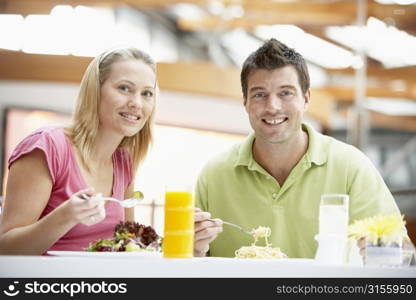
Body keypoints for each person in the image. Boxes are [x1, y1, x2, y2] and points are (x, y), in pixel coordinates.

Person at [193, 38, 409, 258]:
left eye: (286, 93)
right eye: (260, 94)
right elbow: (188, 266)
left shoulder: (351, 167)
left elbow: (403, 256)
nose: (272, 107)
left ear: (306, 99)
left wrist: (386, 249)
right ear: (246, 103)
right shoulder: (214, 175)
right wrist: (193, 250)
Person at [0, 47, 157, 255]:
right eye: (124, 88)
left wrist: (190, 246)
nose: (136, 103)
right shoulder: (47, 146)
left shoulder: (123, 162)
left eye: (146, 93)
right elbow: (5, 248)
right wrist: (64, 217)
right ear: (95, 91)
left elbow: (128, 246)